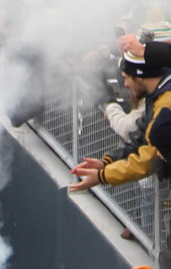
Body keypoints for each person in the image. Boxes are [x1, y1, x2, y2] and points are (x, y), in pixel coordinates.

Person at [70, 50, 171, 193]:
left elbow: (146, 159)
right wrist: (107, 163)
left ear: (140, 76)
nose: (125, 84)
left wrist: (102, 176)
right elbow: (140, 137)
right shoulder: (157, 97)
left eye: (126, 78)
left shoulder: (166, 103)